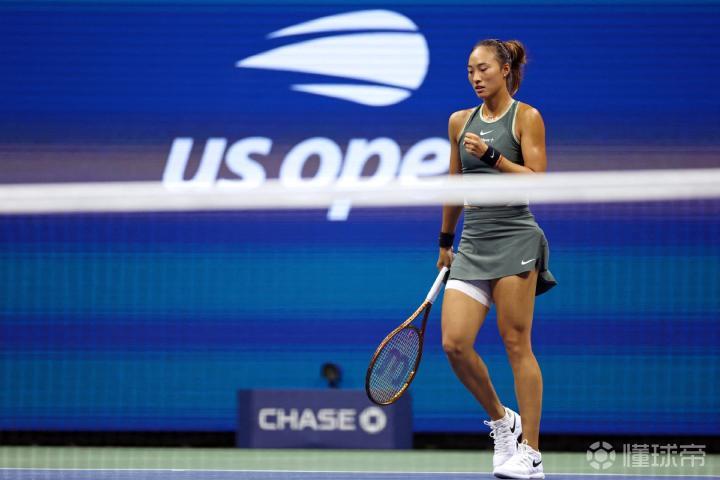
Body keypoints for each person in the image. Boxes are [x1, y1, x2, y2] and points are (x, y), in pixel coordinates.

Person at [437, 38, 557, 479]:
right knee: (454, 343)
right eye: (470, 70)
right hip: (473, 241)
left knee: (515, 343)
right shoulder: (459, 121)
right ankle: (503, 422)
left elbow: (537, 182)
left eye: (483, 68)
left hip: (515, 238)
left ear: (505, 70)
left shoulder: (526, 117)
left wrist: (492, 156)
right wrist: (445, 240)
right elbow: (454, 185)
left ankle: (533, 453)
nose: (475, 77)